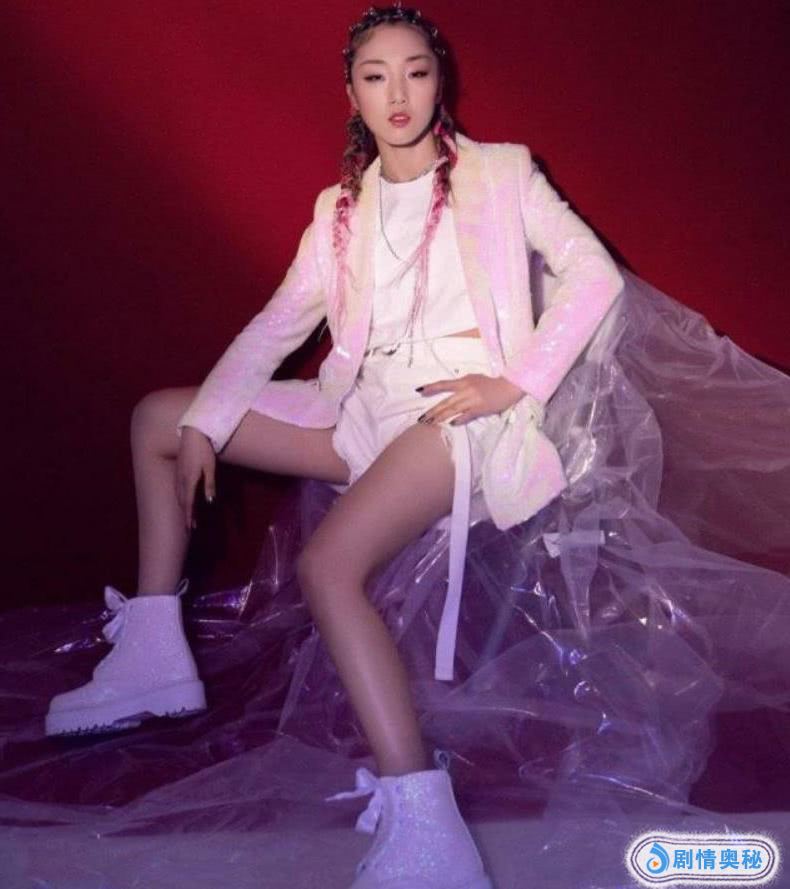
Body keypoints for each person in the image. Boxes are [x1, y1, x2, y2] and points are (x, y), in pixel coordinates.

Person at [44, 4, 624, 886]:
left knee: (327, 567)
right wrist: (206, 422)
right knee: (161, 420)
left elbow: (594, 274)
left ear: (441, 79)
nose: (399, 94)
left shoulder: (502, 173)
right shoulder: (341, 210)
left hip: (457, 418)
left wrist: (515, 383)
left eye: (416, 71)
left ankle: (429, 831)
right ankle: (155, 655)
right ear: (351, 93)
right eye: (376, 76)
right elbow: (278, 323)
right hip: (362, 413)